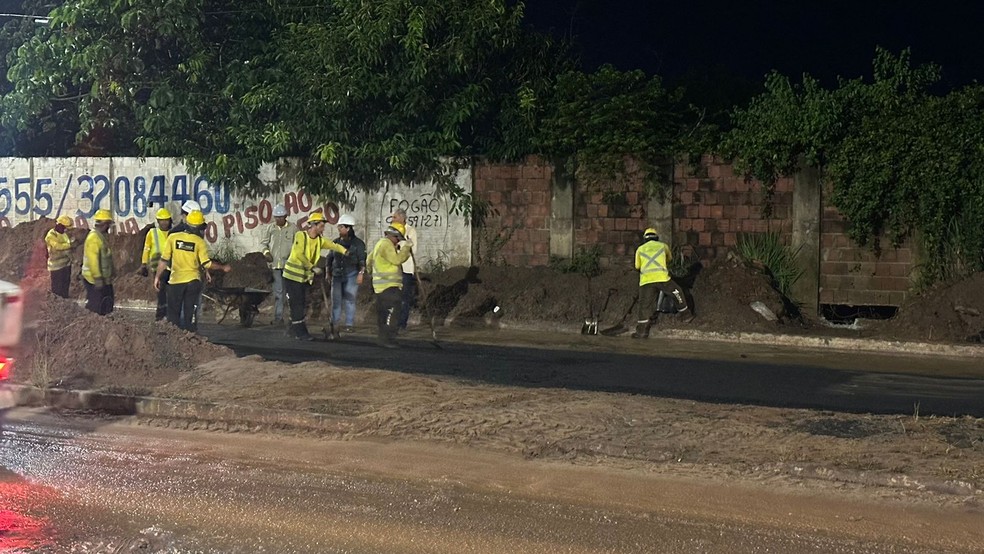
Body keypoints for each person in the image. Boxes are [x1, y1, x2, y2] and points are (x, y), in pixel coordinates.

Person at [155, 210, 231, 332]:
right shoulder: (199, 242)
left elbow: (164, 260)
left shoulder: (173, 238)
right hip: (193, 282)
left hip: (175, 282)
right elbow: (206, 263)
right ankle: (191, 338)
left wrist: (157, 277)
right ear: (199, 228)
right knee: (190, 313)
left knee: (173, 315)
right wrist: (223, 267)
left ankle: (174, 338)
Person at [282, 212, 348, 341]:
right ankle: (300, 333)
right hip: (292, 277)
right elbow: (299, 254)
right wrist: (312, 267)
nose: (323, 228)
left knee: (300, 303)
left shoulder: (319, 240)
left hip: (303, 278)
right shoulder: (300, 236)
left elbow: (332, 245)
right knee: (298, 304)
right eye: (322, 225)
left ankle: (291, 329)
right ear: (314, 225)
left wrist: (345, 251)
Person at [632, 227, 694, 338]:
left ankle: (642, 331)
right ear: (656, 237)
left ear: (645, 238)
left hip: (646, 281)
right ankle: (686, 315)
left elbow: (637, 266)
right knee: (676, 291)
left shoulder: (640, 249)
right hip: (662, 278)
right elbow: (669, 259)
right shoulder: (663, 246)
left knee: (644, 305)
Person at [366, 222, 413, 348]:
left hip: (380, 287)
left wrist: (371, 274)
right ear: (393, 235)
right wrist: (406, 247)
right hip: (389, 286)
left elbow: (369, 261)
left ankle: (383, 338)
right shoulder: (386, 244)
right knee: (393, 311)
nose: (398, 242)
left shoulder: (379, 244)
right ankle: (388, 339)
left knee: (384, 313)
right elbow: (397, 260)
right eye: (398, 239)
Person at [325, 214, 367, 336]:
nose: (339, 229)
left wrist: (361, 273)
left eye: (341, 227)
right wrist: (328, 272)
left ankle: (349, 324)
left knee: (350, 299)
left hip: (352, 274)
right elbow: (329, 258)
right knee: (336, 300)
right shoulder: (336, 242)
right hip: (337, 275)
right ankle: (335, 323)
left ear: (348, 228)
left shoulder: (358, 244)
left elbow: (362, 260)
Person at [259, 204, 294, 326]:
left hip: (289, 265)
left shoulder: (293, 228)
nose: (278, 220)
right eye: (276, 217)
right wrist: (266, 252)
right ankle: (279, 318)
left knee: (290, 292)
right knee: (279, 292)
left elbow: (298, 245)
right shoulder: (271, 228)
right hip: (275, 265)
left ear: (285, 216)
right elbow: (263, 244)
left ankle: (293, 317)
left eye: (280, 217)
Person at [138, 208, 172, 320]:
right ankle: (161, 315)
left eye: (166, 220)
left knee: (169, 292)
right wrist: (143, 264)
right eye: (162, 220)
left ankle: (166, 315)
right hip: (157, 267)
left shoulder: (173, 233)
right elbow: (146, 249)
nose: (164, 223)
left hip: (172, 267)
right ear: (158, 221)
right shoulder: (152, 233)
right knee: (161, 292)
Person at [81, 209, 116, 315]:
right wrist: (98, 278)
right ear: (105, 224)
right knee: (96, 305)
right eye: (109, 224)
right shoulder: (94, 238)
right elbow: (93, 260)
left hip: (103, 278)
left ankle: (104, 322)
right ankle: (93, 325)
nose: (109, 227)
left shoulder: (100, 236)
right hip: (93, 279)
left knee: (106, 301)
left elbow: (105, 258)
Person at [391, 208, 418, 330]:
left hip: (406, 269)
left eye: (395, 217)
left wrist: (401, 243)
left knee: (404, 298)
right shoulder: (392, 230)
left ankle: (401, 323)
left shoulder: (410, 231)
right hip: (393, 268)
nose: (393, 219)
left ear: (402, 218)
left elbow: (413, 249)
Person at [44, 215, 76, 298]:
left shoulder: (63, 234)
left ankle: (65, 302)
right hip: (56, 266)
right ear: (60, 225)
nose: (66, 230)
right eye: (65, 227)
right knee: (57, 287)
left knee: (65, 285)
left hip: (66, 264)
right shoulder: (51, 235)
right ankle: (57, 304)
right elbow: (57, 246)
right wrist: (70, 245)